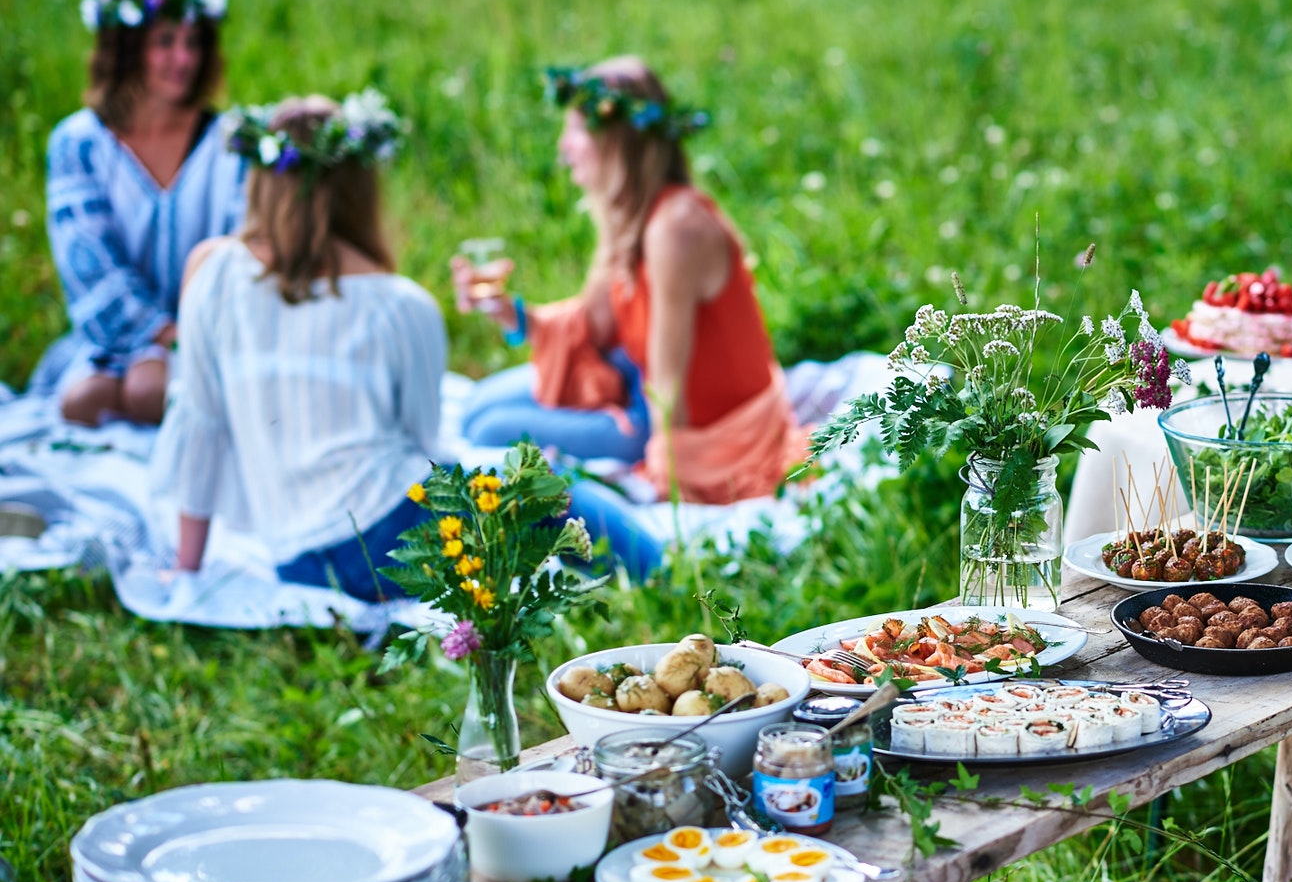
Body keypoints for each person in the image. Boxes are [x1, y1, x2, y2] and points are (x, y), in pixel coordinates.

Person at [454, 58, 807, 547]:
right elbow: (593, 322)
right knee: (473, 407)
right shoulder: (630, 213)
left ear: (617, 141)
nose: (563, 148)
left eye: (576, 129)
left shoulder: (675, 229)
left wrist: (664, 489)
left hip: (704, 430)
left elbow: (668, 392)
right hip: (632, 382)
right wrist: (508, 313)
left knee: (489, 430)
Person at [155, 91, 443, 602]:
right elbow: (423, 442)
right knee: (554, 494)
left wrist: (186, 567)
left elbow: (197, 424)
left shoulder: (211, 273)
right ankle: (639, 572)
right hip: (398, 538)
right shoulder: (402, 305)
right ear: (360, 187)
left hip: (297, 561)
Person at [41, 0, 244, 425]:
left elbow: (243, 248)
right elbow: (89, 263)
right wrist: (159, 336)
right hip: (114, 334)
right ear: (126, 50)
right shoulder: (80, 143)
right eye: (165, 42)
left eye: (193, 42)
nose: (183, 58)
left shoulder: (229, 141)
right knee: (81, 400)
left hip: (213, 335)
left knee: (149, 390)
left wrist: (193, 338)